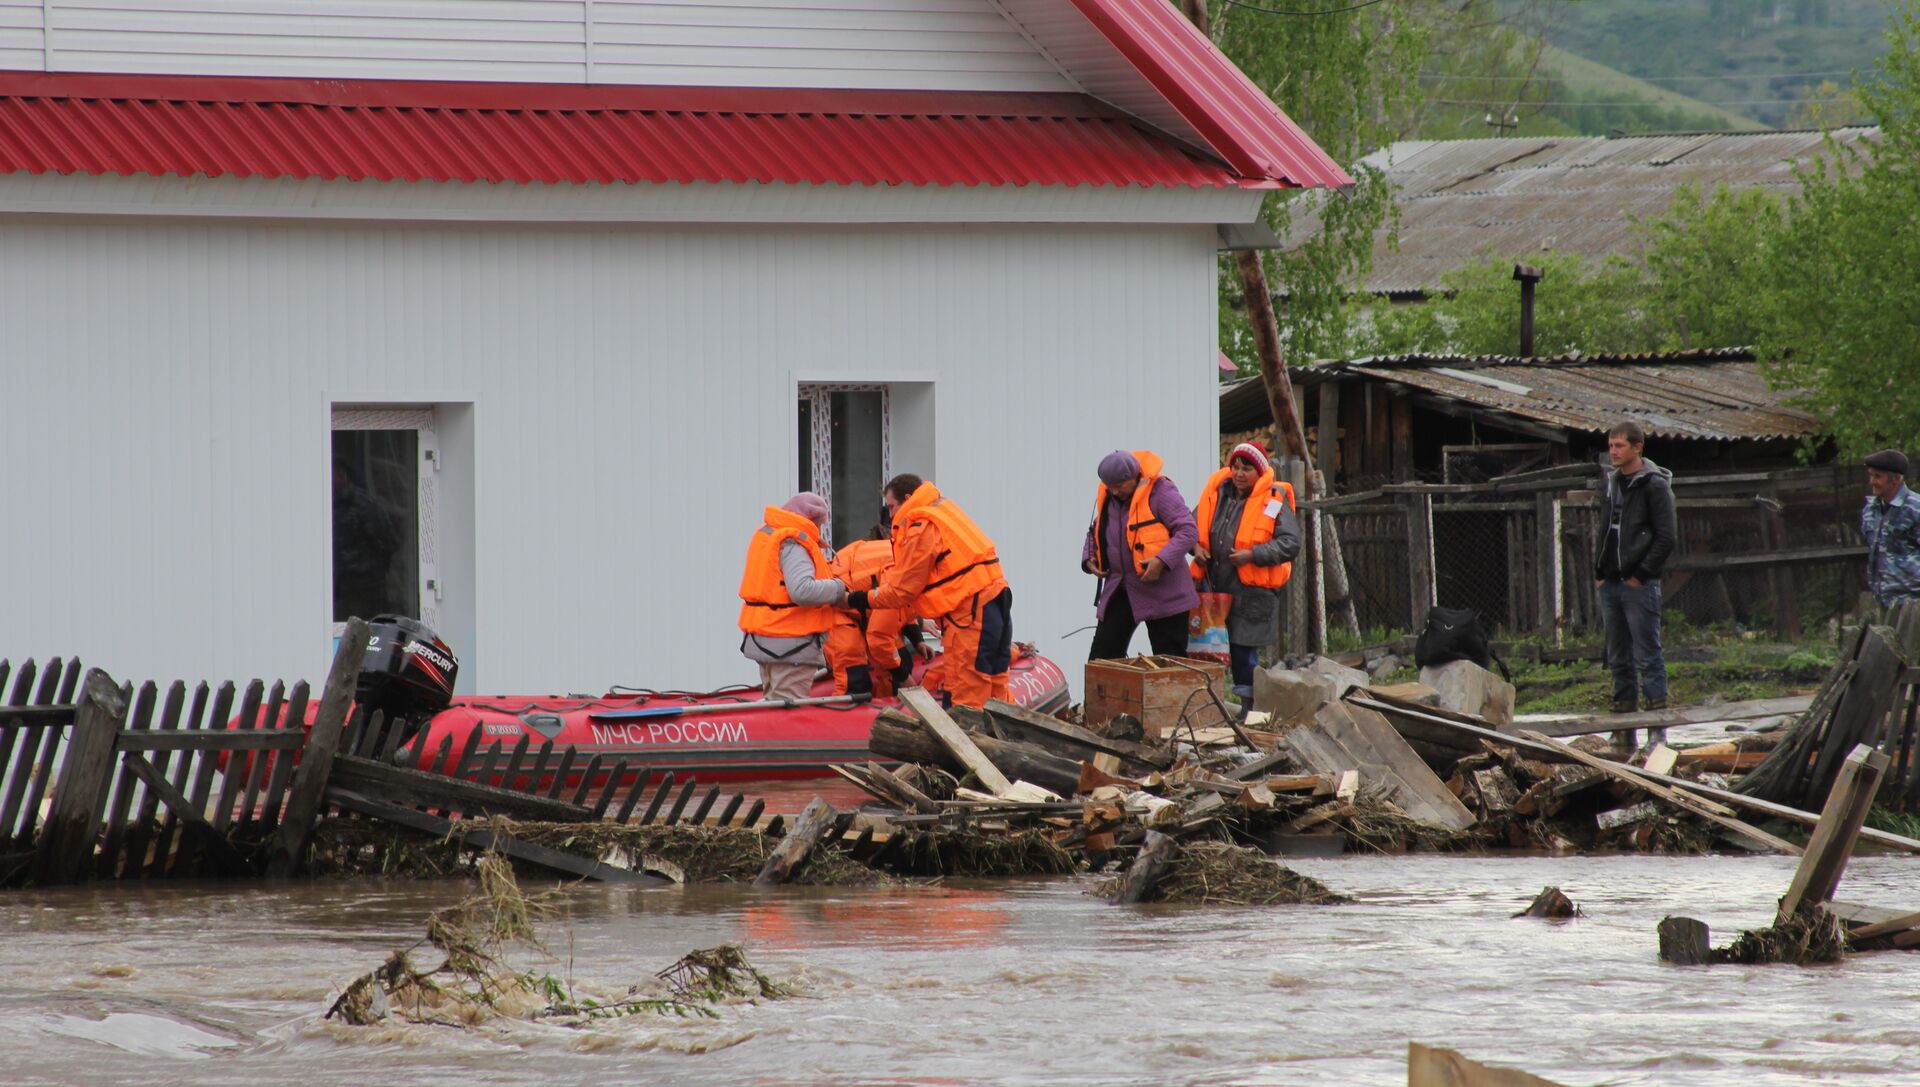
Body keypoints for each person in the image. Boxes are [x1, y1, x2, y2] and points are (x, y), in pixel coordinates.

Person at [849, 475, 1012, 708]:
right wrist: (916, 634)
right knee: (996, 685)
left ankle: (966, 741)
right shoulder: (944, 510)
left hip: (969, 612)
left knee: (965, 695)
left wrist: (854, 599)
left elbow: (902, 592)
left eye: (892, 506)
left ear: (907, 499)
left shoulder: (920, 525)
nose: (892, 515)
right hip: (994, 599)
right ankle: (1004, 738)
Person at [1191, 442, 1300, 702]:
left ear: (1259, 471)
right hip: (1214, 589)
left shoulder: (1274, 500)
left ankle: (1248, 709)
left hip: (1250, 592)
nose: (1239, 473)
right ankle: (1209, 705)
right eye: (1235, 467)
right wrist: (1195, 547)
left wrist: (1253, 555)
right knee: (1206, 650)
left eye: (1246, 468)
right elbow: (1189, 527)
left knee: (1243, 652)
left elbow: (1290, 544)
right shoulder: (1216, 494)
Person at [1082, 449, 1199, 660]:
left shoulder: (1161, 492)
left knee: (1170, 663)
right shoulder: (1109, 496)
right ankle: (1103, 694)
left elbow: (1188, 531)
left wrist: (1161, 561)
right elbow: (1096, 530)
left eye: (1119, 486)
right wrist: (1089, 556)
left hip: (1165, 591)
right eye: (1110, 486)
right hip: (1121, 587)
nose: (1114, 491)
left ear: (1134, 477)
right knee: (1102, 659)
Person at [1592, 422, 1676, 714]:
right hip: (1611, 581)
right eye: (1611, 445)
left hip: (1638, 582)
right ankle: (1624, 705)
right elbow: (1605, 530)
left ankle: (1657, 707)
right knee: (1616, 652)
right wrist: (1599, 572)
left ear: (1637, 447)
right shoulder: (1612, 482)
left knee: (1647, 650)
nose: (1613, 451)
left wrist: (1641, 575)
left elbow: (1666, 537)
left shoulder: (1655, 485)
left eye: (1619, 446)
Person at [738, 492, 847, 702]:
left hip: (765, 638)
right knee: (786, 711)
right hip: (791, 643)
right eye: (820, 524)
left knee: (772, 704)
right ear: (812, 519)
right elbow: (802, 590)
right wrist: (838, 588)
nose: (820, 530)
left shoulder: (767, 536)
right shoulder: (794, 542)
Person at [826, 526, 930, 698]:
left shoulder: (912, 561)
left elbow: (903, 609)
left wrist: (917, 639)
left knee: (902, 660)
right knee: (854, 676)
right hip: (836, 607)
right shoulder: (906, 572)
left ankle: (888, 707)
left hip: (863, 603)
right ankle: (852, 717)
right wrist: (905, 679)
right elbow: (879, 638)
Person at [1862, 449, 1920, 608]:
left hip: (1914, 602)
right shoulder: (1870, 510)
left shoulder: (1915, 509)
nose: (1872, 481)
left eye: (1877, 476)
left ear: (1895, 479)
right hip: (1885, 602)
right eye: (1871, 475)